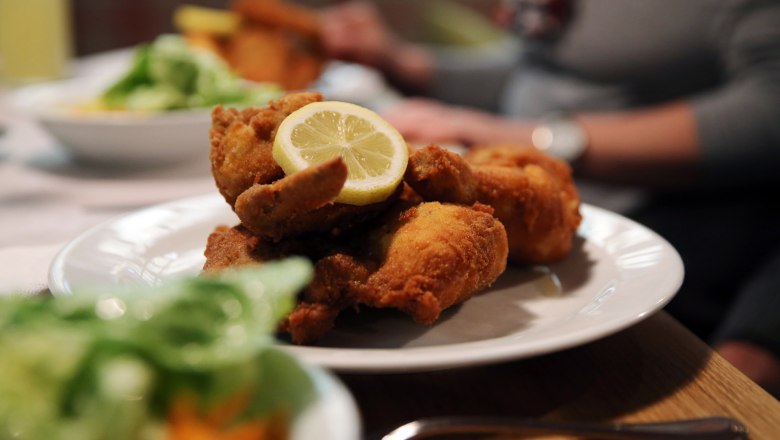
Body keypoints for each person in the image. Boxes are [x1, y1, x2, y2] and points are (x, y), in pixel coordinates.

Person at [319, 0, 780, 396]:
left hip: (675, 221)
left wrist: (546, 139)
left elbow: (768, 108)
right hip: (535, 213)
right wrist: (407, 62)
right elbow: (544, 71)